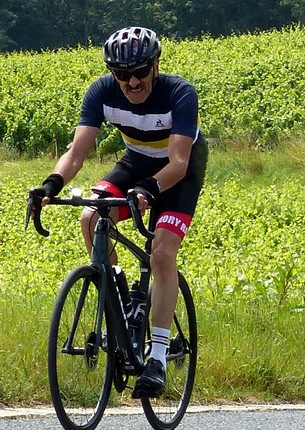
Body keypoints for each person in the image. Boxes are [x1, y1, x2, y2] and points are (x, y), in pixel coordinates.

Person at [28, 26, 208, 398]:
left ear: (155, 66)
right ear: (112, 72)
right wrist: (50, 185)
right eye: (123, 74)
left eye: (140, 71)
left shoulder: (179, 93)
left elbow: (177, 163)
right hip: (136, 161)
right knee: (91, 217)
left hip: (180, 171)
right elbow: (76, 154)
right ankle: (123, 302)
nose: (133, 81)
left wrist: (149, 189)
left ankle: (157, 358)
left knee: (161, 252)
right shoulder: (102, 91)